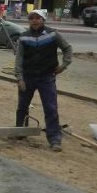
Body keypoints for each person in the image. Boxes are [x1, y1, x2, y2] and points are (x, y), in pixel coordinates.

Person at [14, 9, 73, 152]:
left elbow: (67, 48)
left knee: (51, 108)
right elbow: (19, 59)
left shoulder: (53, 34)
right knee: (22, 106)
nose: (34, 20)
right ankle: (20, 132)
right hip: (28, 77)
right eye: (32, 18)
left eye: (38, 18)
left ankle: (54, 139)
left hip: (47, 77)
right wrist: (19, 78)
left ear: (43, 20)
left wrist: (64, 65)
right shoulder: (23, 37)